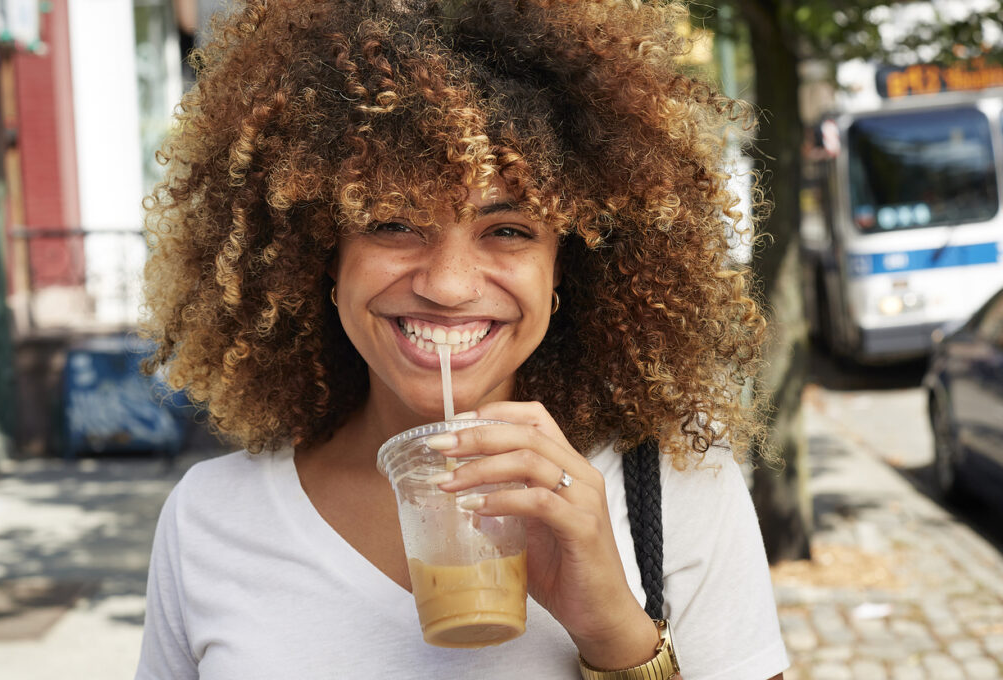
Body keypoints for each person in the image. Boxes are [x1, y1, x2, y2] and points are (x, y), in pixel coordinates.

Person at [135, 0, 789, 678]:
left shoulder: (675, 490)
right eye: (393, 223)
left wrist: (620, 638)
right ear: (322, 255)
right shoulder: (210, 521)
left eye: (507, 230)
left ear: (565, 265)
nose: (448, 285)